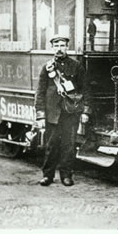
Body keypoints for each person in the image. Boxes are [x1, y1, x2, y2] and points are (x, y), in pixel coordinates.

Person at [34, 34, 89, 187]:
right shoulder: (48, 68)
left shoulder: (76, 66)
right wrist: (40, 115)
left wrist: (85, 112)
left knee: (68, 146)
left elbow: (85, 90)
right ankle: (47, 176)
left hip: (70, 113)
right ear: (52, 48)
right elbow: (40, 92)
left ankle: (66, 176)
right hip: (52, 114)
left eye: (62, 46)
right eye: (56, 46)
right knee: (51, 146)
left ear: (67, 48)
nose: (59, 49)